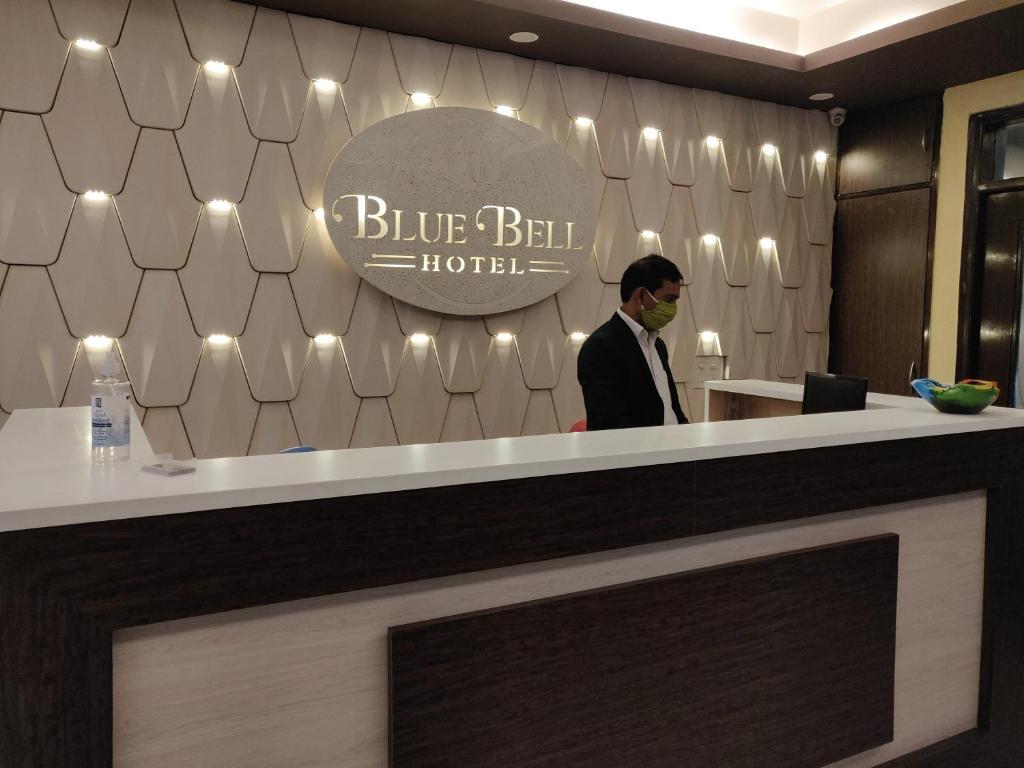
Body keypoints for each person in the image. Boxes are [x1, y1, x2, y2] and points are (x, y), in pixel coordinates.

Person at [577, 254, 688, 429]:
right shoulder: (600, 347)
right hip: (637, 454)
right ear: (641, 295)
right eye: (669, 299)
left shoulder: (658, 345)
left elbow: (671, 410)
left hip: (673, 451)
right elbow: (609, 424)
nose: (672, 308)